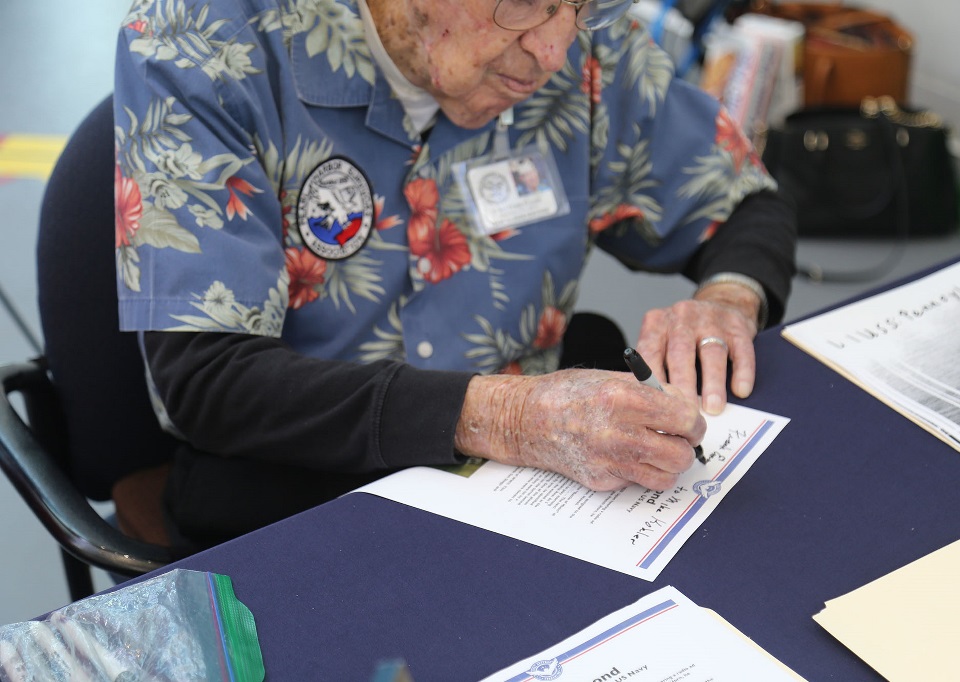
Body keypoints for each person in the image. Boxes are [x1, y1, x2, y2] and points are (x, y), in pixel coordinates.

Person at [113, 0, 796, 550]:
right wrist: (510, 416)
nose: (554, 52)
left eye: (580, 9)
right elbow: (207, 380)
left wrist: (727, 297)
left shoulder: (586, 51)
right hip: (298, 486)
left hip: (535, 492)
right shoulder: (200, 43)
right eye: (523, 5)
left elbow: (742, 202)